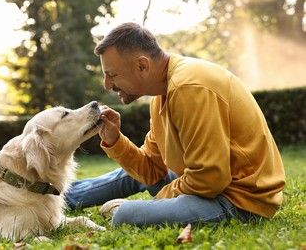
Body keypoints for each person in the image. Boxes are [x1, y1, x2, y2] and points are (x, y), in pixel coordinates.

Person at [66, 22, 285, 228]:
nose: (107, 85)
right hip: (212, 186)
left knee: (125, 215)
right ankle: (59, 196)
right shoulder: (162, 94)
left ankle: (116, 208)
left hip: (239, 199)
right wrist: (115, 140)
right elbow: (152, 170)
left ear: (142, 65)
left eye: (112, 75)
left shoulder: (188, 87)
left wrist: (157, 203)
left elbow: (210, 179)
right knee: (129, 174)